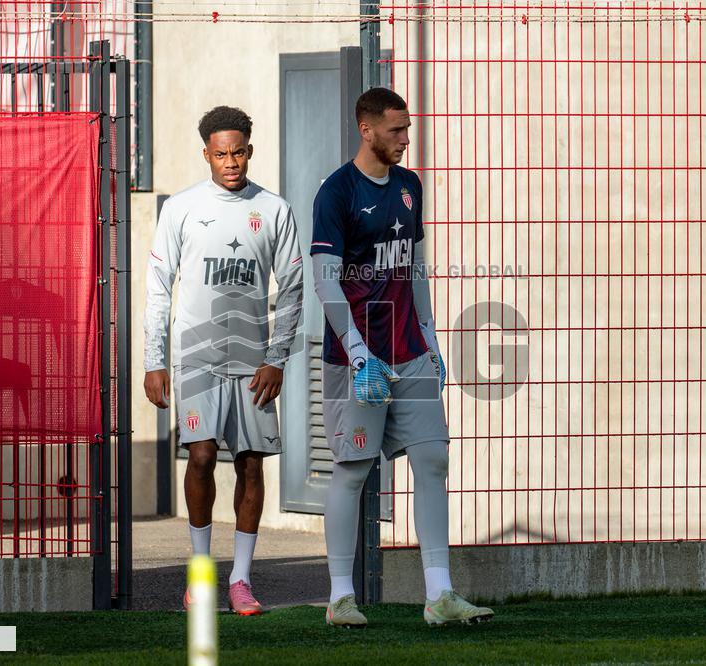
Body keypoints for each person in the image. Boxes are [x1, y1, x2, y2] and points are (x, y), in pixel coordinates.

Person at [311, 88, 493, 627]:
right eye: (395, 131)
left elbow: (414, 267)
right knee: (352, 470)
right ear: (365, 129)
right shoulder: (336, 192)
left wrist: (431, 335)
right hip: (357, 357)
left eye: (406, 129)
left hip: (409, 351)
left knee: (433, 459)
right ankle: (340, 597)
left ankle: (440, 595)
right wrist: (360, 351)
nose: (405, 140)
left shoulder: (410, 187)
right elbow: (325, 280)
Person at [143, 106, 304, 615]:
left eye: (238, 153)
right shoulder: (182, 208)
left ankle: (240, 580)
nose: (230, 162)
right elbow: (158, 289)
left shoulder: (273, 209)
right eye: (220, 154)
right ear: (206, 154)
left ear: (249, 151)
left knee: (251, 465)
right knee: (203, 456)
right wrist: (155, 359)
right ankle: (200, 575)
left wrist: (277, 357)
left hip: (253, 360)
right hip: (196, 358)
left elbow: (295, 287)